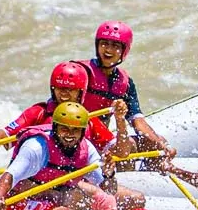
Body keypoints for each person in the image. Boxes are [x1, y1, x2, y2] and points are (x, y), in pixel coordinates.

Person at [0, 61, 144, 210]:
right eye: (60, 88)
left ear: (81, 93)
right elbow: (7, 133)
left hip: (73, 180)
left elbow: (122, 153)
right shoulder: (38, 119)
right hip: (39, 183)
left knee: (133, 199)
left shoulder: (88, 120)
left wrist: (120, 120)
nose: (64, 94)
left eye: (70, 89)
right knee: (77, 199)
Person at [0, 102, 118, 210]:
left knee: (108, 201)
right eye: (64, 129)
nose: (70, 134)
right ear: (55, 128)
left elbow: (109, 189)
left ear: (82, 132)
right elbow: (8, 177)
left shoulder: (87, 150)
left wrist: (109, 174)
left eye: (75, 130)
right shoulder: (36, 147)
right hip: (23, 202)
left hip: (57, 200)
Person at [76, 20, 177, 167]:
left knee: (152, 143)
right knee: (122, 149)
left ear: (124, 51)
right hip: (76, 136)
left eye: (115, 46)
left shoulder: (126, 84)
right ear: (97, 45)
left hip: (102, 140)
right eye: (104, 43)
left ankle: (151, 177)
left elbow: (138, 122)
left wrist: (162, 144)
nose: (108, 50)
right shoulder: (80, 72)